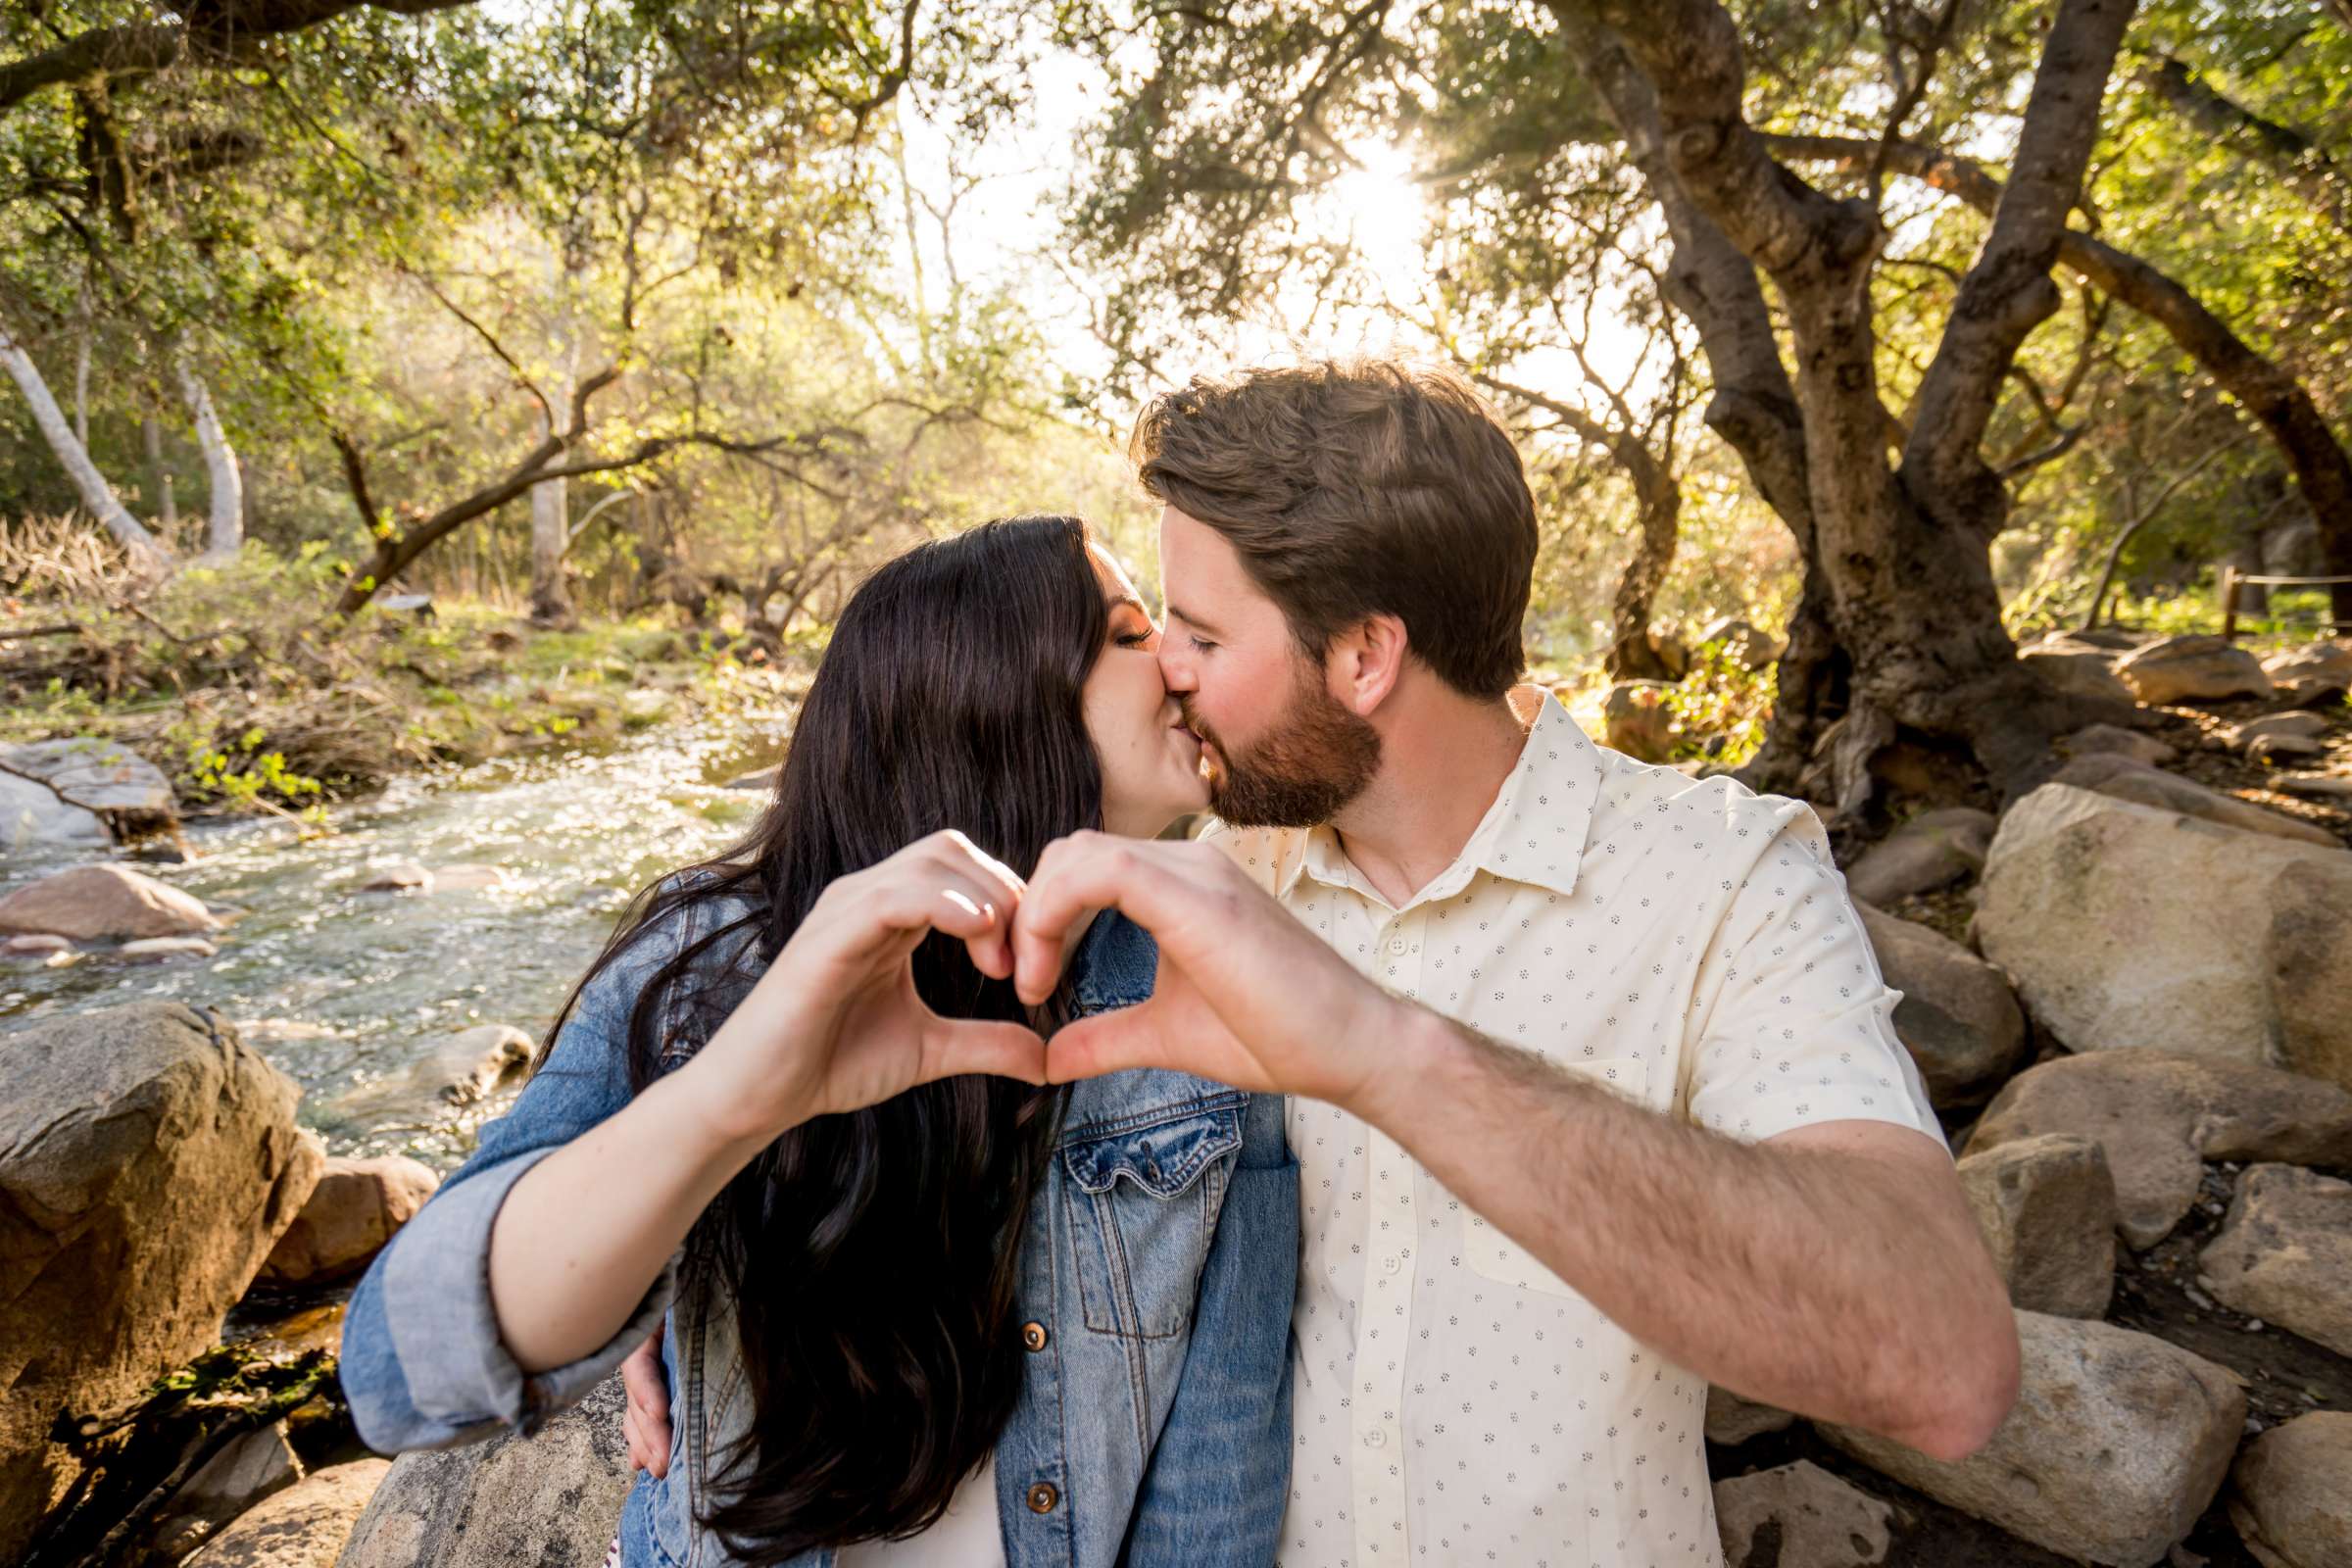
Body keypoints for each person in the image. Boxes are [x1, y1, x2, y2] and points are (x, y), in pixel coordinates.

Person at [994, 359, 2023, 1565]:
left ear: (1367, 656)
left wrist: (1385, 1054)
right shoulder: (1217, 872)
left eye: (1204, 633)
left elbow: (1942, 1361)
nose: (1168, 665)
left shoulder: (1721, 877)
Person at [338, 514, 1299, 1568]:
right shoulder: (716, 961)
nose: (1173, 657)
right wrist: (729, 1110)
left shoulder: (1198, 985)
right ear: (994, 693)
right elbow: (395, 1379)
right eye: (1126, 631)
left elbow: (1217, 1469)